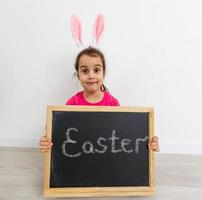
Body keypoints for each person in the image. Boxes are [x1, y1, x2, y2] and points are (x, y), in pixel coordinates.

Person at [39, 47, 159, 153]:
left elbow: (123, 134)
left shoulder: (112, 103)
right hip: (78, 160)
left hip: (106, 160)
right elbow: (57, 129)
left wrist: (146, 143)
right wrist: (47, 139)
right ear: (78, 75)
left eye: (96, 70)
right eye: (85, 71)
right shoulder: (72, 103)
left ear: (103, 73)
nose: (91, 76)